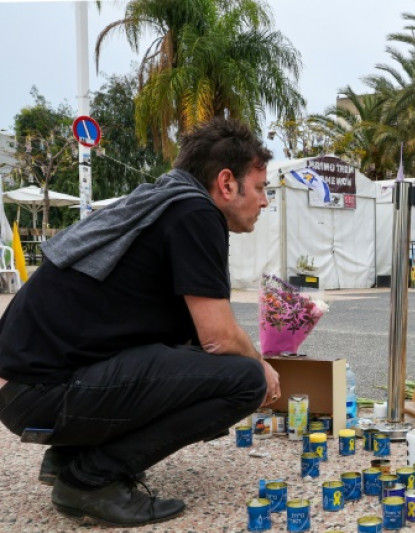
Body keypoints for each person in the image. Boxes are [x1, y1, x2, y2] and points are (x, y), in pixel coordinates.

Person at [0, 118, 280, 527]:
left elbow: (190, 341)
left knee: (190, 355)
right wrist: (262, 364)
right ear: (226, 183)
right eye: (260, 188)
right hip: (42, 393)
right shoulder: (195, 213)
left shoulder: (160, 204)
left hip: (25, 389)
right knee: (244, 380)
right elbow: (218, 338)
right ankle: (89, 479)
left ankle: (70, 457)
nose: (265, 201)